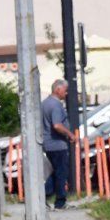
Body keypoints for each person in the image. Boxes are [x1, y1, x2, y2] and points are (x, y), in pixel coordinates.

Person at [41, 79, 76, 210]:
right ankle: (60, 202)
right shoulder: (55, 105)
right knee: (61, 173)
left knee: (53, 173)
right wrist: (70, 134)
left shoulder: (45, 103)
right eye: (65, 91)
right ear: (58, 90)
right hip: (57, 144)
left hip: (48, 143)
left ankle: (43, 198)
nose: (66, 94)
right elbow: (57, 125)